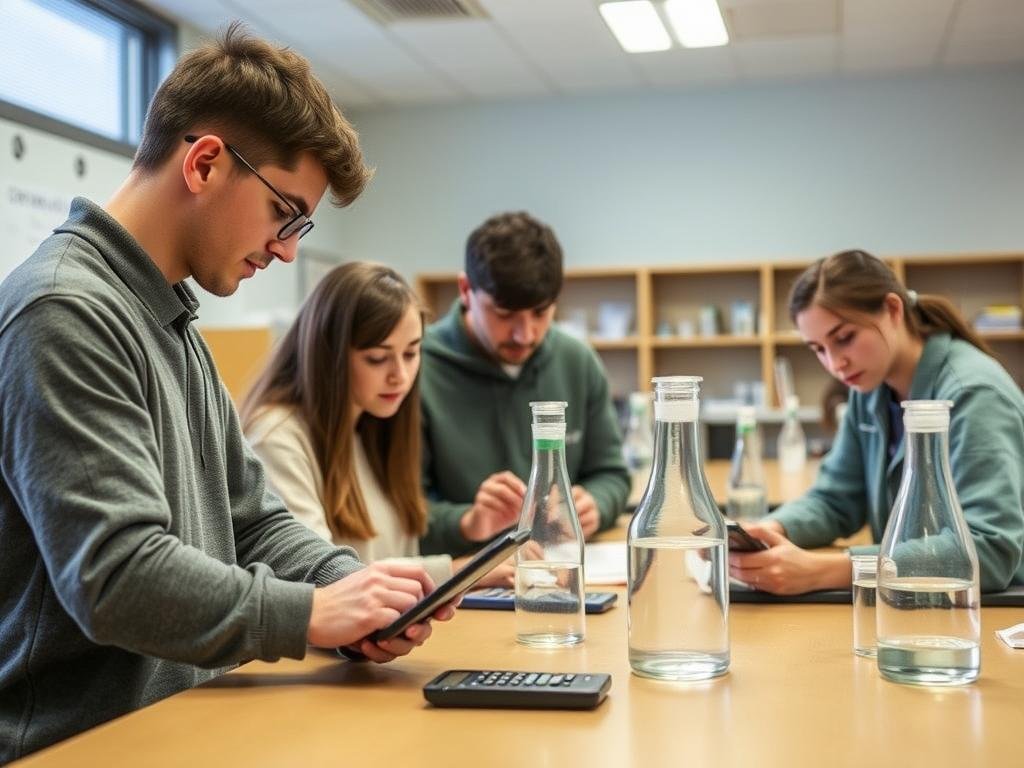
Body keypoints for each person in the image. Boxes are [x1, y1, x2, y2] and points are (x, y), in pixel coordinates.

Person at [0, 27, 452, 762]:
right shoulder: (64, 311)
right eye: (286, 213)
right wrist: (312, 613)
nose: (288, 250)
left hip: (181, 729)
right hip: (81, 747)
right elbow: (117, 576)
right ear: (206, 162)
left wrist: (357, 593)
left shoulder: (169, 320)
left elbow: (253, 521)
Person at [730, 250, 1024, 594]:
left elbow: (989, 551)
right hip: (912, 602)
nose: (835, 363)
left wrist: (825, 570)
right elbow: (836, 499)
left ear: (893, 310)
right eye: (818, 349)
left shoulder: (974, 393)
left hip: (992, 614)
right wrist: (771, 530)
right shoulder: (869, 388)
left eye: (844, 338)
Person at [242, 262, 512, 587]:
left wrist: (471, 558)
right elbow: (319, 576)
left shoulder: (372, 424)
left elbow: (393, 558)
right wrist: (466, 572)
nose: (400, 375)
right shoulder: (276, 436)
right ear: (330, 355)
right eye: (377, 358)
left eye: (411, 354)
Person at [418, 211, 630, 558]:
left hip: (562, 568)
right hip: (464, 583)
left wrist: (596, 503)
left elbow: (612, 474)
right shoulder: (416, 367)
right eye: (504, 314)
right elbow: (397, 511)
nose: (525, 334)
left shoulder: (578, 361)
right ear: (466, 290)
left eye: (540, 313)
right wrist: (467, 521)